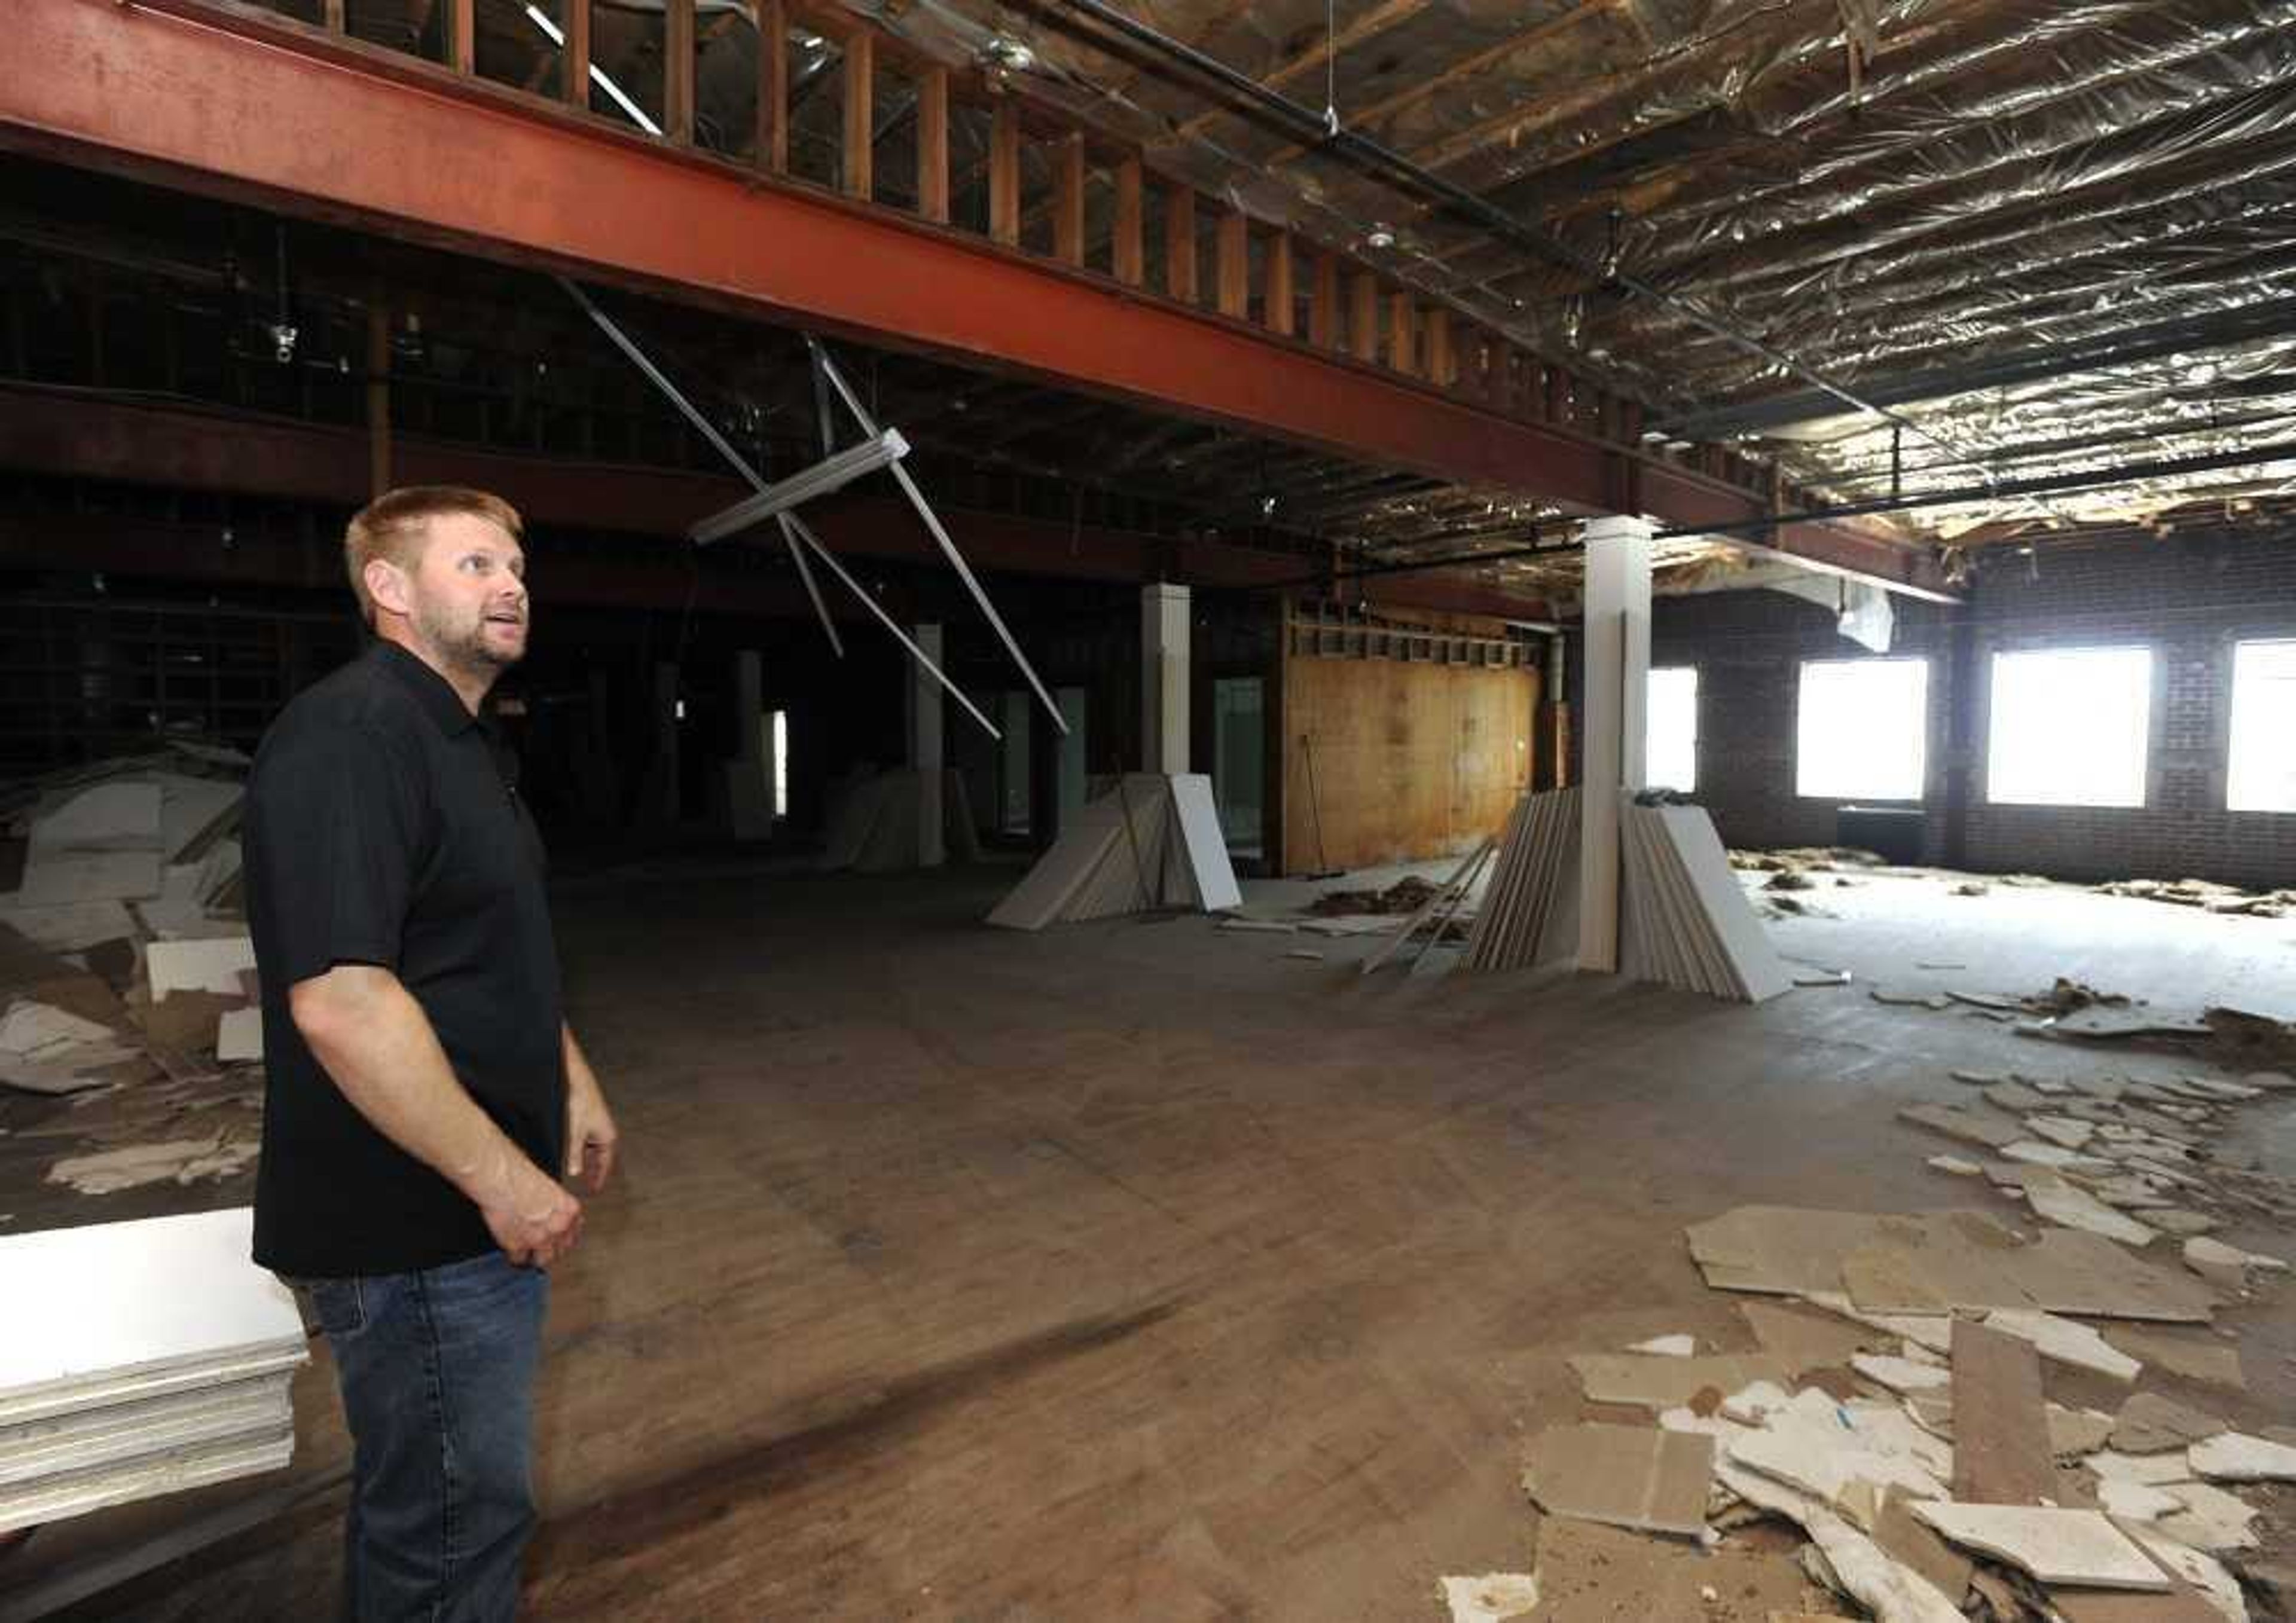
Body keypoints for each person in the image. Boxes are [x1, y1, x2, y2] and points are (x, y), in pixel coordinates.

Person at [244, 485, 619, 1621]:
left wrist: (569, 1077)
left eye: (515, 566)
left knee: (441, 1511)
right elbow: (346, 1000)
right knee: (452, 1528)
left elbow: (472, 943)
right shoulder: (354, 736)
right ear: (390, 590)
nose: (510, 585)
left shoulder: (457, 743)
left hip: (453, 1210)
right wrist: (506, 1181)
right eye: (473, 566)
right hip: (415, 1225)